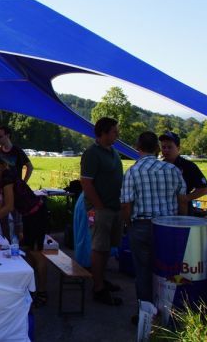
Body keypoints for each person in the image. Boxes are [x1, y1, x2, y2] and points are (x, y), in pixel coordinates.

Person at [121, 132, 187, 314]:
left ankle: (146, 314)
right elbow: (182, 201)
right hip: (169, 226)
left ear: (137, 148)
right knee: (169, 269)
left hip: (141, 225)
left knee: (143, 271)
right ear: (157, 148)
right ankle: (169, 310)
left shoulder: (133, 171)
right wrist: (181, 222)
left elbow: (125, 204)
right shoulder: (173, 170)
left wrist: (128, 224)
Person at [0, 153, 49, 306]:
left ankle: (42, 292)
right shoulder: (3, 175)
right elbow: (3, 202)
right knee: (29, 250)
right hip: (29, 215)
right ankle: (29, 288)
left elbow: (9, 206)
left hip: (36, 214)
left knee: (37, 253)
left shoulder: (6, 176)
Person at [80, 117, 124, 306]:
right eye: (114, 131)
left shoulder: (113, 151)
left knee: (106, 248)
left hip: (114, 208)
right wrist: (99, 207)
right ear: (104, 133)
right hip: (100, 210)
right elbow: (86, 183)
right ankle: (98, 289)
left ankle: (101, 280)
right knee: (99, 248)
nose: (117, 134)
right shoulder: (92, 153)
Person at [159, 131, 207, 216]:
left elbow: (204, 189)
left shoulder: (188, 166)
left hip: (183, 211)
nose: (166, 150)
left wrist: (186, 198)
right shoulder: (159, 166)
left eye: (170, 147)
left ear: (178, 148)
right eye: (163, 147)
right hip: (163, 211)